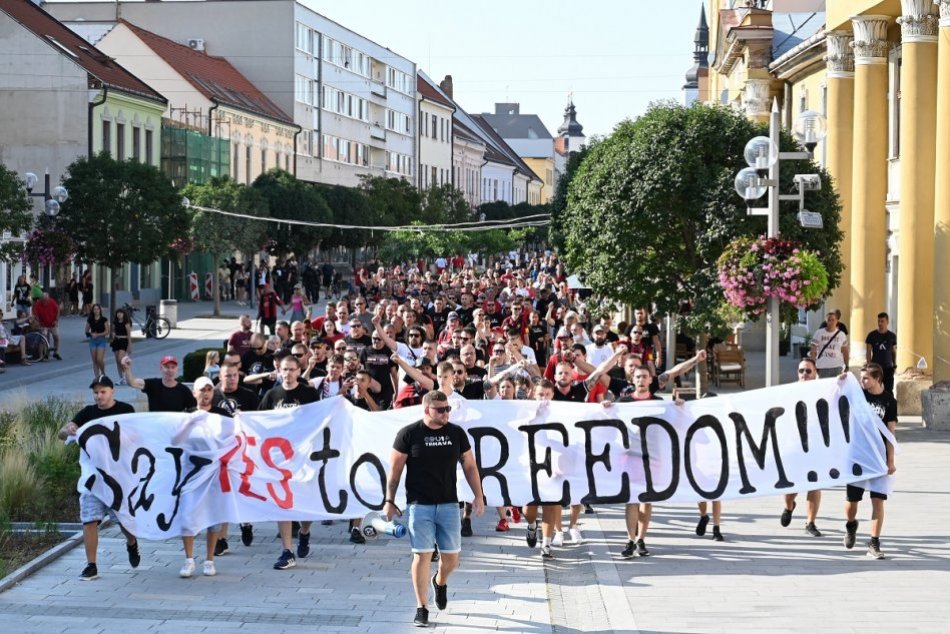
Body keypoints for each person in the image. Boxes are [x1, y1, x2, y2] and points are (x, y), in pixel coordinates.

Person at [384, 390, 486, 627]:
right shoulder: (409, 434)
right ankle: (421, 607)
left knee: (451, 558)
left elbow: (470, 466)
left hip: (450, 504)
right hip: (419, 506)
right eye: (440, 409)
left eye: (447, 409)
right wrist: (390, 500)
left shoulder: (456, 433)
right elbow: (395, 471)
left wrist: (478, 496)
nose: (445, 413)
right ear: (426, 410)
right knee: (421, 555)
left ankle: (439, 582)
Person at [57, 375, 140, 580]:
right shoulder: (88, 413)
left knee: (124, 521)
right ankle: (91, 564)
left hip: (119, 478)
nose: (99, 396)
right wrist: (68, 429)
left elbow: (139, 435)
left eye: (103, 392)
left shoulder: (126, 410)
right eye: (96, 392)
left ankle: (132, 543)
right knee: (89, 520)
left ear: (112, 391)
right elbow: (61, 434)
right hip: (92, 478)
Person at [260, 354, 320, 570]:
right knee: (283, 504)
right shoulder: (272, 394)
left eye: (292, 369)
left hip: (303, 457)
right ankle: (287, 551)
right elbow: (260, 420)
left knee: (307, 504)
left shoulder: (308, 393)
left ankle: (304, 532)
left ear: (298, 370)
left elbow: (320, 418)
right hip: (280, 460)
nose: (287, 373)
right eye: (284, 369)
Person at [844, 363, 897, 560]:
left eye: (866, 378)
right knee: (852, 501)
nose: (862, 381)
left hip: (878, 458)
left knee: (878, 500)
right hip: (857, 455)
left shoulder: (889, 400)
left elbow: (890, 432)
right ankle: (851, 525)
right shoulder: (858, 395)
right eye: (861, 377)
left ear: (877, 379)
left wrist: (890, 460)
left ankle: (874, 543)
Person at [178, 377, 228, 577]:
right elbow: (175, 440)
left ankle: (209, 559)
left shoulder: (223, 415)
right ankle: (189, 559)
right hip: (191, 474)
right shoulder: (186, 416)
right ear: (194, 393)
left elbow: (233, 438)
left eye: (209, 389)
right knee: (188, 515)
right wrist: (189, 425)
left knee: (214, 518)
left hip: (214, 474)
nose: (206, 394)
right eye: (202, 390)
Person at [781, 358, 824, 537]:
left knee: (815, 484)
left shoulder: (823, 391)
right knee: (791, 486)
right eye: (801, 371)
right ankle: (789, 506)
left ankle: (810, 522)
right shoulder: (789, 391)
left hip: (815, 445)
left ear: (815, 373)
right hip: (794, 445)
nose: (804, 375)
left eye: (808, 371)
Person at [122, 355, 197, 412]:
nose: (170, 370)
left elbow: (193, 409)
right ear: (161, 369)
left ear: (177, 369)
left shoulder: (184, 390)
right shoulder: (153, 384)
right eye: (167, 367)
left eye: (173, 367)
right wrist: (127, 368)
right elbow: (132, 382)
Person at [865, 312, 897, 394]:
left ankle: (889, 405)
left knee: (889, 390)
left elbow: (893, 351)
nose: (880, 323)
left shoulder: (892, 336)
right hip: (876, 367)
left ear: (887, 322)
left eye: (882, 321)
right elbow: (868, 352)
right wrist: (869, 365)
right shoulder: (872, 335)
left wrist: (894, 364)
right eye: (878, 321)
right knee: (874, 389)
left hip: (888, 368)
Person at [810, 311, 849, 378]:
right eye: (829, 320)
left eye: (833, 320)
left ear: (837, 321)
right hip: (822, 367)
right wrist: (812, 364)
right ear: (826, 321)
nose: (831, 322)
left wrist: (847, 365)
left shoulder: (841, 335)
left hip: (837, 367)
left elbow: (845, 351)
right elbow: (813, 350)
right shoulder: (819, 333)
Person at [33, 290, 61, 360]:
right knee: (43, 338)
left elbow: (58, 310)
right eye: (43, 300)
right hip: (43, 324)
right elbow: (35, 314)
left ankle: (56, 352)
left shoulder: (51, 301)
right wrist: (38, 321)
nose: (45, 302)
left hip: (52, 323)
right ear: (41, 299)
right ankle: (42, 355)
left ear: (48, 299)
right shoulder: (38, 304)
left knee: (56, 337)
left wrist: (56, 320)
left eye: (46, 300)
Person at [85, 303, 108, 377]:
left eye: (98, 309)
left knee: (99, 359)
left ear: (100, 310)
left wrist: (98, 334)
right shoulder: (90, 319)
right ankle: (97, 377)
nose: (96, 310)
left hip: (101, 340)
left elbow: (107, 331)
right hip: (93, 341)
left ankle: (103, 372)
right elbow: (86, 331)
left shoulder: (104, 319)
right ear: (93, 310)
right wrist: (91, 334)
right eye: (94, 309)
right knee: (95, 360)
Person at [110, 308, 132, 384]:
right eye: (118, 313)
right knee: (117, 361)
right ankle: (121, 378)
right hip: (116, 341)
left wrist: (129, 345)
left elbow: (129, 335)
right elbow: (112, 330)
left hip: (124, 341)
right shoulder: (115, 322)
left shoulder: (126, 323)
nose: (119, 314)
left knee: (120, 359)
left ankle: (126, 375)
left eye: (121, 313)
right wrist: (113, 334)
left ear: (124, 314)